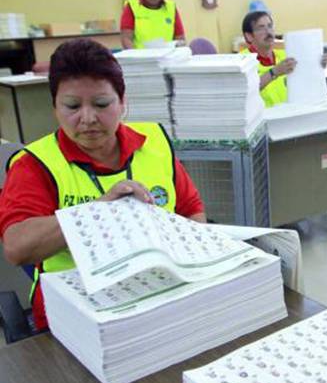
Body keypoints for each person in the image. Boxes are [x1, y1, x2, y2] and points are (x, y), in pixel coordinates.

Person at [0, 38, 206, 331]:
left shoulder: (154, 142)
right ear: (55, 108)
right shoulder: (35, 164)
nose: (88, 119)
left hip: (162, 295)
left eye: (101, 104)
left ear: (123, 103)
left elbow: (191, 209)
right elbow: (17, 246)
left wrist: (194, 260)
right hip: (76, 316)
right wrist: (99, 212)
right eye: (72, 106)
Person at [240, 11, 327, 107]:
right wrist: (274, 72)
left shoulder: (286, 55)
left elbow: (306, 78)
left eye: (270, 26)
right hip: (262, 116)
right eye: (261, 28)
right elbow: (243, 91)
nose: (268, 32)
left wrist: (317, 64)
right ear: (249, 36)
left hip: (290, 113)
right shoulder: (241, 61)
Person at [120, 0, 186, 49]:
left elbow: (180, 38)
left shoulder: (171, 7)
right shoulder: (132, 6)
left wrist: (179, 49)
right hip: (140, 56)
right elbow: (126, 38)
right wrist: (135, 55)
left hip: (167, 55)